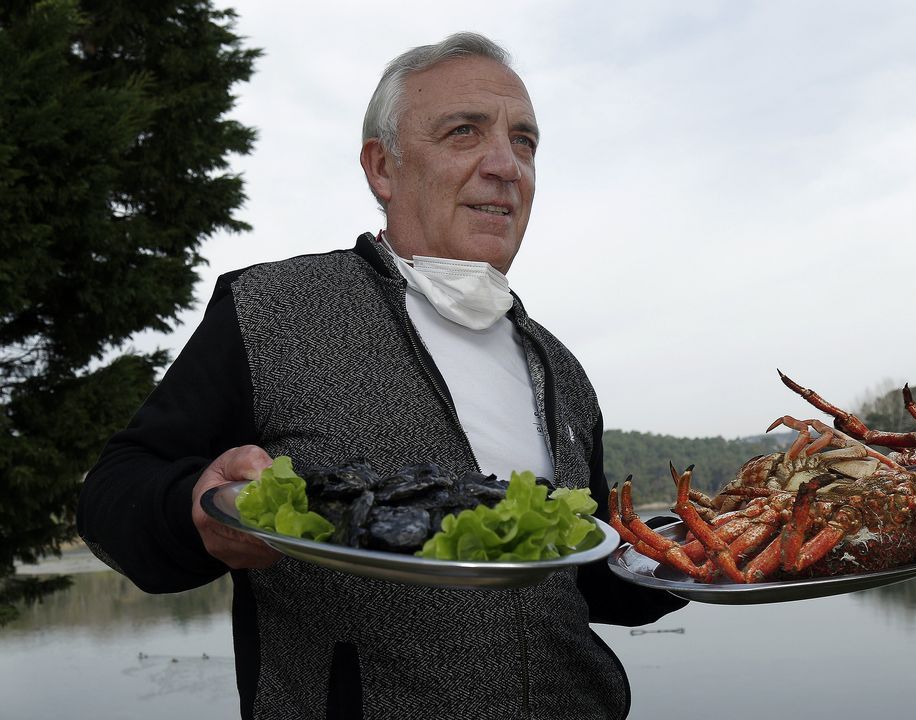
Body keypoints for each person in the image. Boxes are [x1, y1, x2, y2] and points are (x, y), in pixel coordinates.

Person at [78, 32, 686, 719]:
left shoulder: (560, 367)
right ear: (382, 168)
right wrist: (193, 506)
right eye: (465, 132)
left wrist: (702, 549)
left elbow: (595, 581)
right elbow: (112, 493)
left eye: (525, 142)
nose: (505, 165)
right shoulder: (271, 309)